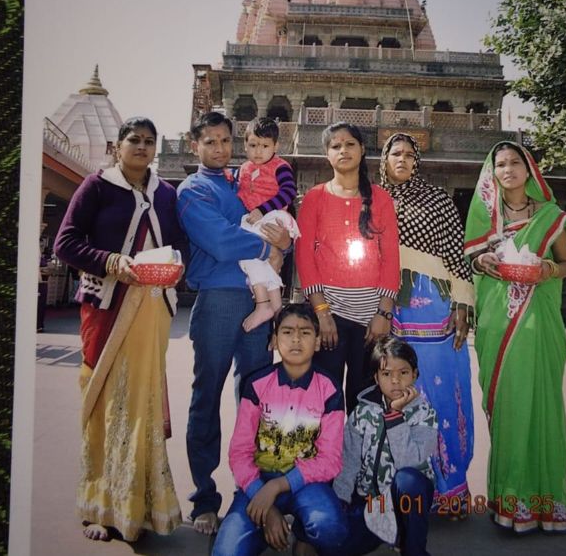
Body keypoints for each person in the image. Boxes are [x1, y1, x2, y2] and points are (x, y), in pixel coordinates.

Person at [53, 117, 186, 542]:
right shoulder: (97, 186)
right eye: (134, 140)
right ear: (117, 146)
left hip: (153, 307)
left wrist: (175, 266)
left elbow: (178, 243)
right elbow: (65, 243)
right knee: (105, 400)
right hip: (107, 306)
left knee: (142, 402)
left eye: (149, 141)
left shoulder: (165, 194)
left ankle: (140, 505)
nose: (142, 147)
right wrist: (111, 262)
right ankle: (99, 505)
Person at [176, 111, 292, 535]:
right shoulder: (193, 189)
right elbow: (221, 241)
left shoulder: (242, 180)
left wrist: (282, 243)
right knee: (207, 395)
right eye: (210, 141)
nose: (220, 148)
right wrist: (270, 248)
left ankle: (254, 491)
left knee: (257, 398)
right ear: (195, 145)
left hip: (258, 297)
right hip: (220, 298)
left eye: (226, 140)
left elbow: (279, 217)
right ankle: (204, 498)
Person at [464, 140, 566, 533]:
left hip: (538, 321)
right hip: (498, 321)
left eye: (515, 162)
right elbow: (472, 259)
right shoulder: (484, 218)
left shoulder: (550, 216)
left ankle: (547, 500)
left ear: (529, 169)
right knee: (509, 405)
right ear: (492, 172)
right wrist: (482, 259)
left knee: (541, 401)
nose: (507, 169)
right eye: (500, 164)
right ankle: (511, 499)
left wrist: (547, 269)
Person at [379, 133, 474, 512]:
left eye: (408, 154)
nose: (402, 160)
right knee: (400, 395)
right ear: (384, 160)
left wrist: (463, 302)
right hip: (390, 309)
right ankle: (406, 487)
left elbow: (455, 251)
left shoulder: (436, 199)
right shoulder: (375, 200)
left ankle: (449, 488)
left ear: (417, 161)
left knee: (442, 394)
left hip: (434, 307)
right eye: (395, 154)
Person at [212, 303, 347, 556]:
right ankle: (264, 527)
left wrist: (277, 486)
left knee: (330, 528)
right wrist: (264, 501)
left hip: (307, 484)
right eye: (287, 332)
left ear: (318, 342)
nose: (296, 339)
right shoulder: (256, 385)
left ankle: (304, 535)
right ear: (274, 340)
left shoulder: (329, 389)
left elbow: (330, 460)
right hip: (259, 481)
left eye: (305, 332)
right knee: (226, 552)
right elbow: (239, 453)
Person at [295, 122, 400, 414]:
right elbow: (305, 257)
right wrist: (322, 313)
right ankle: (327, 446)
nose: (343, 150)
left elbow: (391, 258)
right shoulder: (315, 197)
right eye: (336, 146)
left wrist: (383, 314)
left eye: (350, 144)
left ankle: (361, 446)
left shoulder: (380, 198)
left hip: (371, 318)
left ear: (362, 149)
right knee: (324, 396)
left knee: (364, 397)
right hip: (329, 313)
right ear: (327, 154)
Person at [332, 337, 437, 556]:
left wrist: (395, 415)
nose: (395, 381)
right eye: (387, 374)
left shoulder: (424, 414)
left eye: (403, 373)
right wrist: (341, 499)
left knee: (408, 480)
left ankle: (414, 548)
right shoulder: (363, 412)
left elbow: (409, 461)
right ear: (376, 378)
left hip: (408, 497)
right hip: (370, 500)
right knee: (335, 546)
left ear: (415, 375)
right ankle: (391, 532)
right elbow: (349, 460)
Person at [237, 116, 300, 332]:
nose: (258, 151)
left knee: (248, 251)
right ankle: (275, 306)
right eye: (253, 145)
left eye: (265, 146)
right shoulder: (244, 168)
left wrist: (262, 210)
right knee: (261, 261)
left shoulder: (279, 167)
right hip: (256, 218)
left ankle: (262, 303)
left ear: (276, 146)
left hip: (272, 216)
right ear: (245, 144)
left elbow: (289, 192)